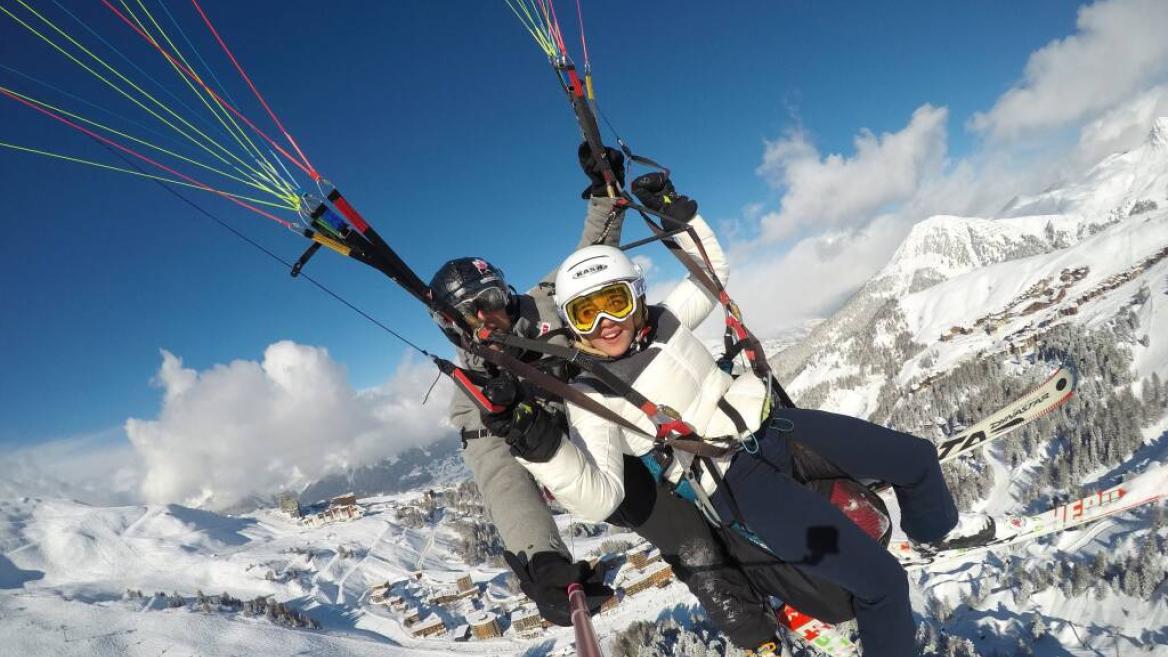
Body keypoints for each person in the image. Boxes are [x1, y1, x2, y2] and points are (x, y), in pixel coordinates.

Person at [507, 171, 980, 657]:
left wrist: (680, 218)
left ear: (637, 297)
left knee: (917, 458)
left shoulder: (666, 321)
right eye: (587, 313)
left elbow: (711, 274)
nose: (606, 324)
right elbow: (599, 496)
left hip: (777, 427)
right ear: (571, 322)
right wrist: (540, 448)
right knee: (882, 584)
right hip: (736, 482)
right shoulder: (590, 394)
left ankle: (930, 532)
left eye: (615, 302)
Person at [431, 146, 817, 653]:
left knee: (742, 479)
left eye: (494, 302)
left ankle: (810, 566)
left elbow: (591, 256)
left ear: (508, 295)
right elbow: (500, 477)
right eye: (470, 314)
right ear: (450, 327)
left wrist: (604, 193)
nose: (489, 320)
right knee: (690, 542)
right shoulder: (474, 397)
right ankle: (755, 634)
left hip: (650, 409)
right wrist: (541, 558)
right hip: (597, 458)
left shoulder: (546, 304)